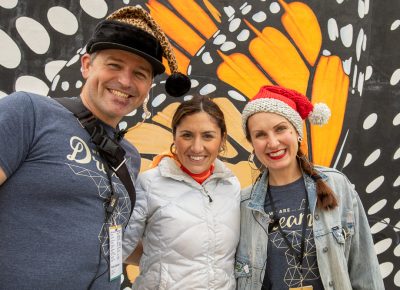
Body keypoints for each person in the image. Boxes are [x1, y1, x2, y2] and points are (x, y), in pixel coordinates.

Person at [0, 6, 190, 290]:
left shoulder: (130, 156)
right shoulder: (28, 112)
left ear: (149, 85)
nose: (125, 81)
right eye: (114, 65)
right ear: (87, 65)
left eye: (140, 73)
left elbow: (109, 238)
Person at [235, 85, 385, 290]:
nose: (272, 142)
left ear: (297, 132)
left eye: (280, 129)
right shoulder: (245, 205)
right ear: (252, 143)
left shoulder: (337, 185)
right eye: (260, 135)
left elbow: (365, 270)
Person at [122, 95, 241, 289]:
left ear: (222, 139)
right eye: (187, 135)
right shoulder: (148, 183)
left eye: (208, 136)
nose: (196, 147)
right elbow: (121, 249)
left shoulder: (231, 185)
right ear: (174, 137)